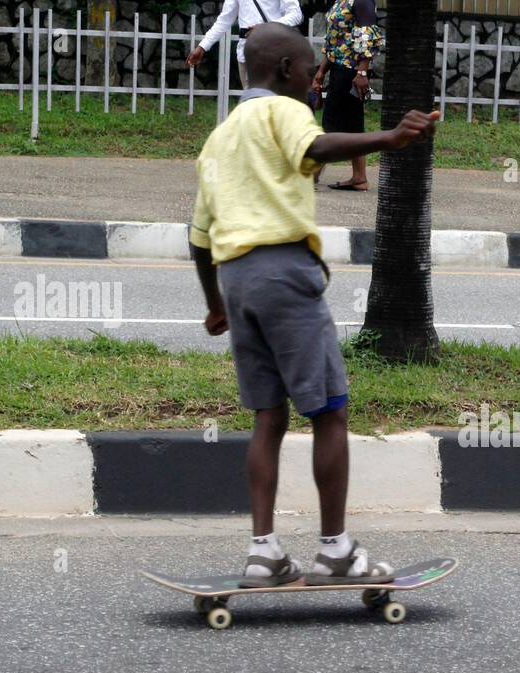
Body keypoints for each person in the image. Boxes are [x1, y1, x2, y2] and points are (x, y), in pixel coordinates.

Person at [188, 22, 438, 586]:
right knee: (329, 410)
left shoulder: (220, 136)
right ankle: (336, 551)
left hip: (237, 280)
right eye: (310, 69)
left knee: (268, 416)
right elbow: (318, 146)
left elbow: (198, 237)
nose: (316, 79)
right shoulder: (284, 112)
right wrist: (389, 139)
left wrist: (215, 304)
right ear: (283, 71)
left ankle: (264, 553)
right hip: (284, 273)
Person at [312, 0, 383, 191]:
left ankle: (310, 176)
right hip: (338, 68)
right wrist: (321, 71)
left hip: (351, 71)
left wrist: (362, 72)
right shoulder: (340, 1)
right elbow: (336, 40)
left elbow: (366, 34)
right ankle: (359, 177)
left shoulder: (361, 1)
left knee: (331, 122)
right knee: (352, 123)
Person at [186, 0, 305, 88]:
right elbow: (225, 19)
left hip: (274, 52)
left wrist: (267, 27)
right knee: (251, 105)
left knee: (270, 106)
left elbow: (296, 15)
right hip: (246, 54)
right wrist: (203, 47)